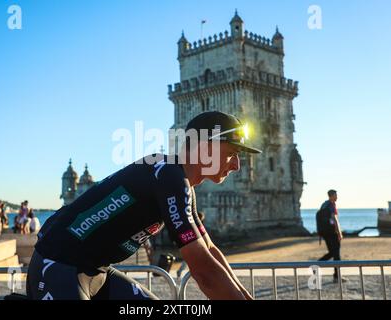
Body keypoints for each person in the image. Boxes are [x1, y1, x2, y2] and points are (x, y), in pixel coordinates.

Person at [26, 111, 262, 300]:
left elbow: (210, 252)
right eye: (231, 153)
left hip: (96, 272)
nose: (236, 165)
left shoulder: (180, 182)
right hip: (57, 267)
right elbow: (204, 273)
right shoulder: (168, 175)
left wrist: (245, 296)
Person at [317, 189, 347, 283]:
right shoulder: (331, 205)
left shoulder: (323, 205)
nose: (337, 197)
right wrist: (339, 232)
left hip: (325, 233)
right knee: (336, 254)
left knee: (332, 252)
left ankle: (316, 264)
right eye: (336, 195)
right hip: (332, 233)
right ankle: (337, 277)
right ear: (332, 196)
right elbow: (335, 219)